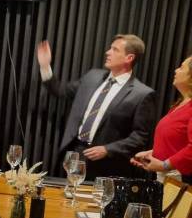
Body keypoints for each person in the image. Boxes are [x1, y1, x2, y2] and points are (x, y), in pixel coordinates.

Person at [37, 34, 156, 179]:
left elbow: (140, 136)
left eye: (115, 50)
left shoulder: (142, 94)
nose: (108, 52)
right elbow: (61, 91)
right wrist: (45, 66)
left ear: (129, 58)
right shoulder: (92, 76)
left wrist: (108, 149)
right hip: (75, 152)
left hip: (106, 164)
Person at [130, 56, 192, 183]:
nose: (176, 70)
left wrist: (164, 165)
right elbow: (177, 142)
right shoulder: (180, 104)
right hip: (169, 177)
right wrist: (153, 154)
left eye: (182, 68)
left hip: (182, 179)